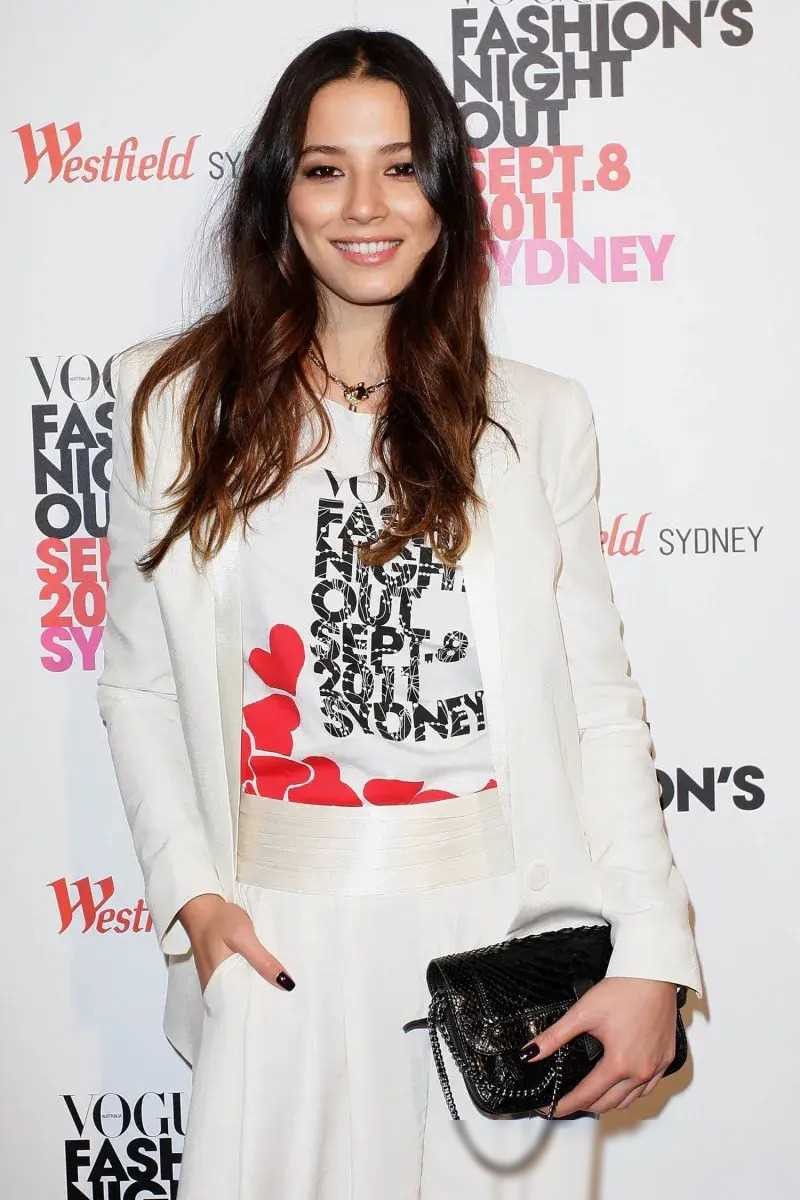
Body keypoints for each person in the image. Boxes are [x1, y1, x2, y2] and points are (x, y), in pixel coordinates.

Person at [96, 26, 703, 1200]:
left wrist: (650, 952)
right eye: (326, 168)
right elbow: (138, 682)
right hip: (274, 938)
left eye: (402, 166)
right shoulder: (169, 404)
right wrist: (194, 901)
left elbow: (596, 703)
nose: (365, 205)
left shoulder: (535, 418)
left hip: (497, 938)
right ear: (279, 194)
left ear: (446, 196)